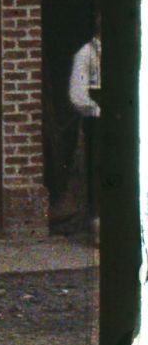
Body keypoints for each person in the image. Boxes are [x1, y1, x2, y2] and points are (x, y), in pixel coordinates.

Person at [70, 35, 101, 238]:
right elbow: (78, 94)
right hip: (99, 122)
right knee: (100, 171)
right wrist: (97, 109)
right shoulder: (87, 53)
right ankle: (99, 223)